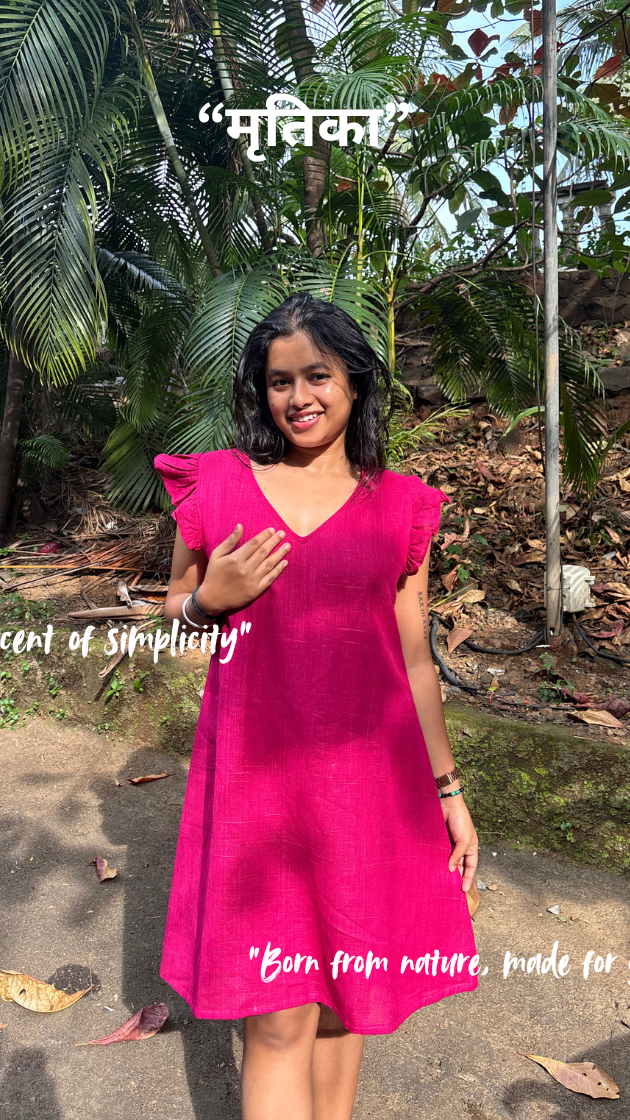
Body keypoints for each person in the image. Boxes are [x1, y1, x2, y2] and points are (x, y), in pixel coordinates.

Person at [154, 292, 479, 1120]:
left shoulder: (401, 505)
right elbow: (174, 611)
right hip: (260, 802)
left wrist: (448, 791)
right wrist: (208, 601)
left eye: (317, 376)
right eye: (278, 381)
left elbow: (412, 655)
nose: (298, 397)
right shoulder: (220, 485)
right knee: (278, 1022)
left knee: (348, 1004)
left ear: (356, 382)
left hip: (370, 794)